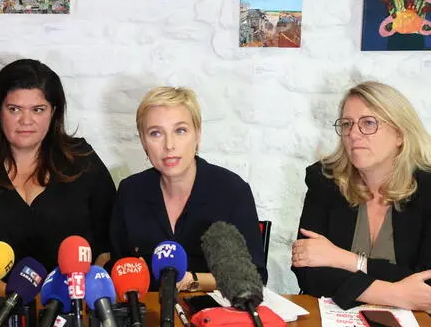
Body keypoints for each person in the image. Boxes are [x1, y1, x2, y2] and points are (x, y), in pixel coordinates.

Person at [0, 59, 116, 294]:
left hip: (70, 307)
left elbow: (110, 242)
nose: (26, 121)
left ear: (54, 112)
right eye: (14, 109)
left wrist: (87, 289)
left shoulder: (83, 161)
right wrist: (5, 296)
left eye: (38, 110)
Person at [110, 87, 267, 292]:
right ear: (143, 142)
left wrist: (191, 280)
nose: (169, 145)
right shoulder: (130, 191)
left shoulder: (232, 191)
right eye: (156, 133)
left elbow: (255, 276)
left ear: (197, 135)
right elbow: (117, 267)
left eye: (180, 130)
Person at [292, 81, 431, 311]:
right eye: (347, 124)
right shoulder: (325, 181)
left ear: (400, 134)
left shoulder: (428, 189)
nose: (353, 134)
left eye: (368, 123)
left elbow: (425, 283)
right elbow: (307, 270)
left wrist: (342, 259)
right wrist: (393, 293)